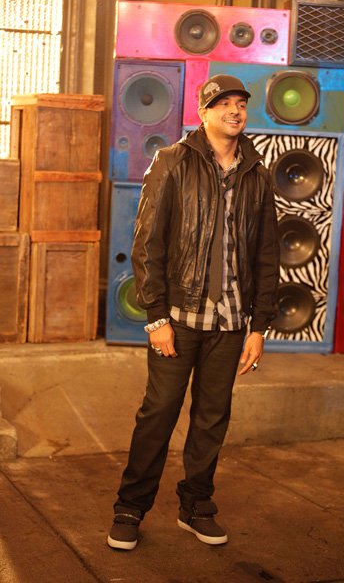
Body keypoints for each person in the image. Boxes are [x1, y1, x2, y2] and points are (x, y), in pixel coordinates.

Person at [107, 73, 280, 550]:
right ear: (203, 112)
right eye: (223, 103)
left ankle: (196, 505)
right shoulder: (173, 162)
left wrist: (259, 327)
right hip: (179, 319)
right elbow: (148, 244)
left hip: (231, 322)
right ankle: (130, 507)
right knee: (158, 413)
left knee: (212, 417)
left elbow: (267, 253)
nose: (234, 111)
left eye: (240, 103)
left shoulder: (257, 173)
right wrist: (156, 317)